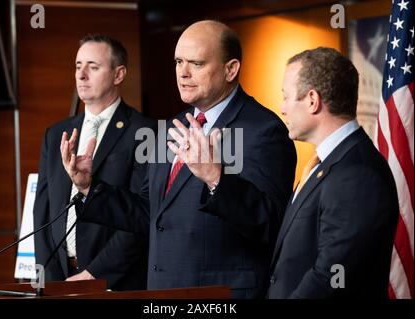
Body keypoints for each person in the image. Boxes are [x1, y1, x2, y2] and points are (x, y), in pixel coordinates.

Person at [61, 21, 296, 298]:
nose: (183, 73)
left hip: (219, 296)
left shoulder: (263, 129)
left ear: (230, 69)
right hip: (164, 292)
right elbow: (149, 212)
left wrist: (216, 179)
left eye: (196, 63)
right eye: (178, 61)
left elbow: (271, 224)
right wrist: (89, 186)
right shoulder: (172, 127)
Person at [267, 47, 399, 298]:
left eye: (286, 97)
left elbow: (330, 278)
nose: (282, 108)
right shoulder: (328, 163)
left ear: (312, 100)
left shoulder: (357, 174)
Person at [33, 35, 154, 290]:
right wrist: (51, 278)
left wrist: (93, 274)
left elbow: (142, 216)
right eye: (78, 66)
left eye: (93, 67)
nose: (81, 75)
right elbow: (42, 213)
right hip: (59, 280)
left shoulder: (145, 132)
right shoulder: (55, 134)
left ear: (118, 75)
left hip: (115, 282)